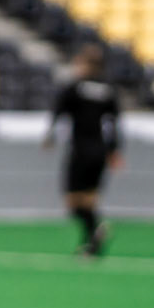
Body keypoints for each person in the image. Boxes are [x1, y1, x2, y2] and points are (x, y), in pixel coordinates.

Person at [46, 44, 122, 257]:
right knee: (90, 197)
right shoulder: (108, 90)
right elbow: (113, 123)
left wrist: (50, 135)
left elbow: (59, 111)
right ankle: (92, 243)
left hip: (80, 149)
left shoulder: (76, 88)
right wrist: (114, 150)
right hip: (99, 150)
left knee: (73, 200)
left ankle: (94, 233)